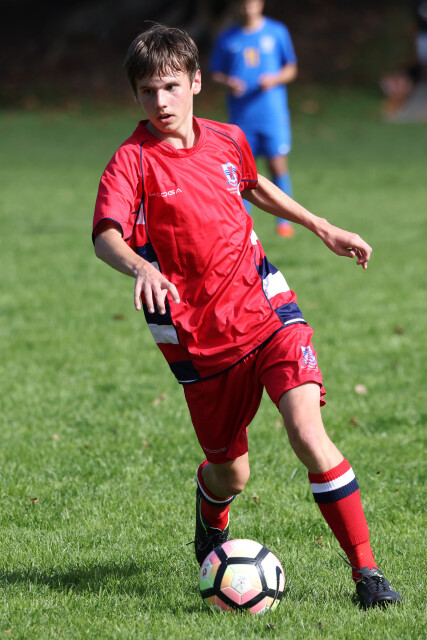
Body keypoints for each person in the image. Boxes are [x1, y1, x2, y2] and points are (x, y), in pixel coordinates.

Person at [92, 24, 402, 608]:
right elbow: (106, 234)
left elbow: (253, 186)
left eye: (170, 86)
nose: (160, 101)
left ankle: (368, 575)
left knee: (308, 434)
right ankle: (211, 514)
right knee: (230, 474)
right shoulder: (132, 161)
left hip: (267, 311)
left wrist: (322, 227)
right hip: (199, 338)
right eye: (147, 91)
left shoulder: (228, 138)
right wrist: (141, 268)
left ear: (196, 83)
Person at [210, 0, 297, 238]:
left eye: (252, 2)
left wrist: (274, 79)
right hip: (241, 118)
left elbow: (291, 68)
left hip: (272, 114)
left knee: (277, 165)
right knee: (241, 172)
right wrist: (228, 82)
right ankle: (244, 224)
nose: (248, 7)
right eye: (243, 3)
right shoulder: (227, 37)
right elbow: (215, 73)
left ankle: (284, 222)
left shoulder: (277, 31)